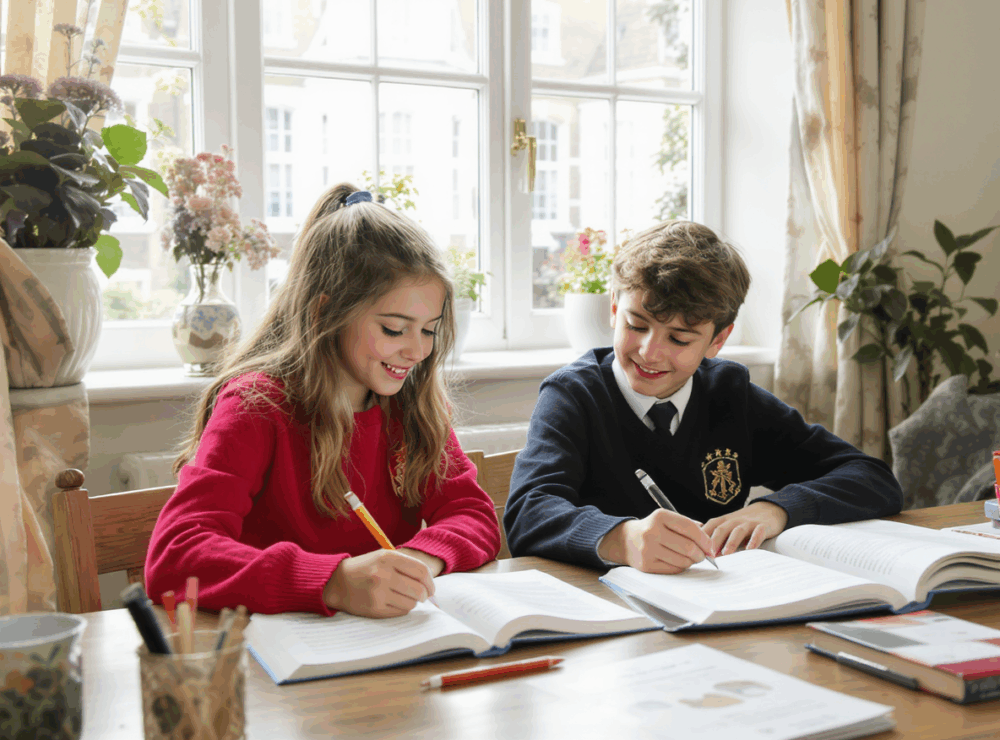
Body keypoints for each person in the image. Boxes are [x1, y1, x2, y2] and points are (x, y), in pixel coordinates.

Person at [145, 184, 501, 618]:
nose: (418, 351)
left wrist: (419, 563)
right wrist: (333, 581)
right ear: (324, 313)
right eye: (394, 329)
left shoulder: (412, 404)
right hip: (275, 656)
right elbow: (175, 557)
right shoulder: (255, 405)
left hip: (382, 651)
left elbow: (472, 514)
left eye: (429, 329)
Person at [504, 220, 903, 573]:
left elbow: (872, 477)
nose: (649, 351)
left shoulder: (731, 395)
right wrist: (622, 539)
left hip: (716, 604)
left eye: (679, 338)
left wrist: (776, 509)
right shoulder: (573, 396)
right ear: (613, 308)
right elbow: (528, 513)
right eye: (635, 324)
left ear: (718, 340)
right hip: (606, 614)